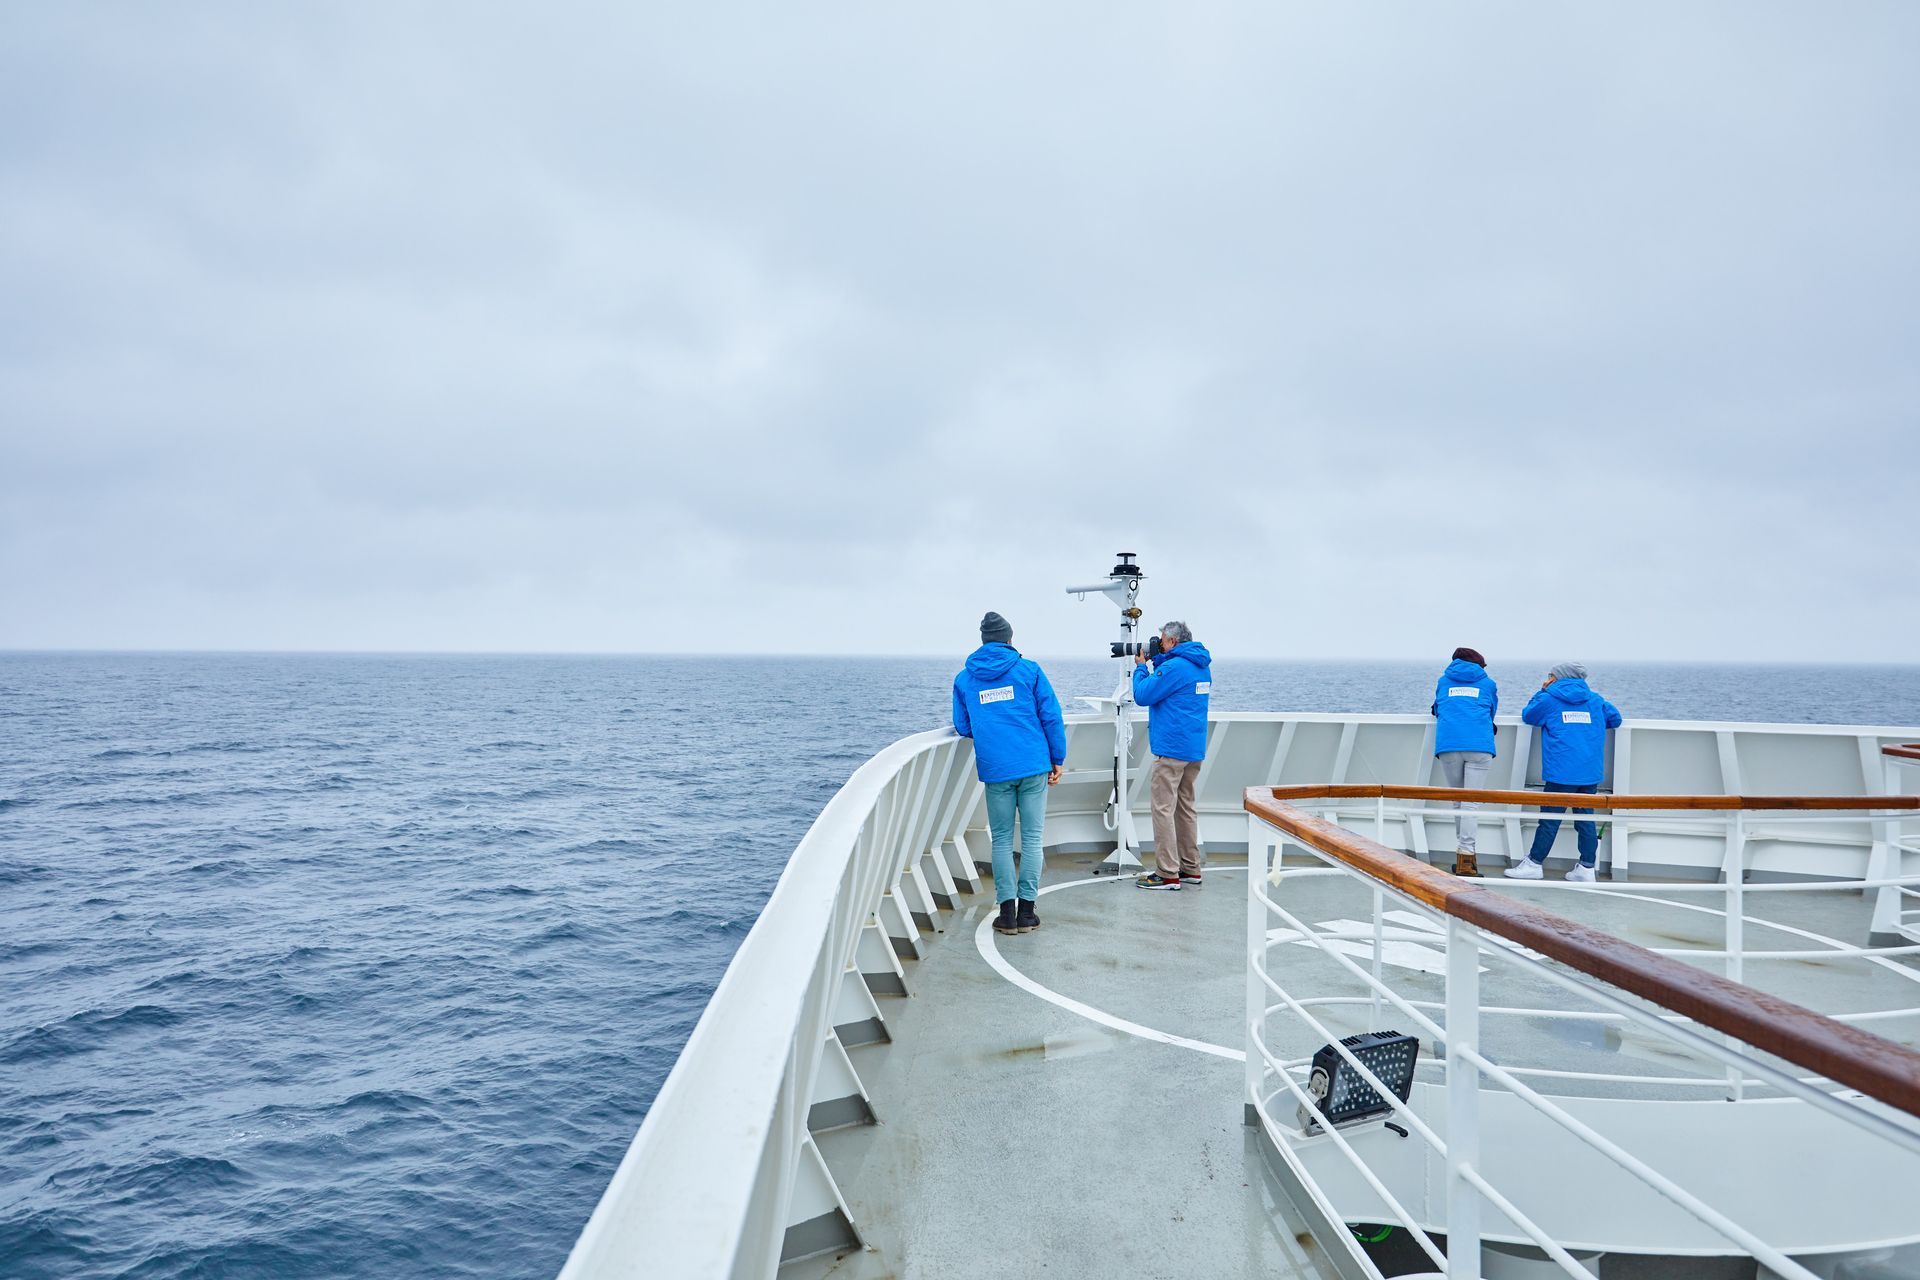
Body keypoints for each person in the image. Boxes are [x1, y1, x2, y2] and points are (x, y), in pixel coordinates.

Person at [951, 612, 1066, 936]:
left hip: (996, 768)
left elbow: (963, 725)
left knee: (1001, 839)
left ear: (984, 640)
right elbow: (1051, 716)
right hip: (1033, 764)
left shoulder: (965, 678)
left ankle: (1006, 914)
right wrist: (1057, 757)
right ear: (1009, 639)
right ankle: (1027, 913)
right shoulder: (1029, 670)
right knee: (1032, 837)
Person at [1506, 662, 1622, 883]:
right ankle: (1586, 868)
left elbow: (1529, 715)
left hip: (1561, 772)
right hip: (1589, 772)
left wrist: (1542, 691)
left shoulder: (1549, 698)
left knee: (1550, 819)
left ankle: (1534, 864)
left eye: (1550, 674)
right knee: (1585, 819)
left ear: (1557, 677)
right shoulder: (1595, 700)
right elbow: (1615, 719)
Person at [1130, 621, 1213, 890]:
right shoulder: (1200, 665)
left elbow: (1143, 694)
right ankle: (1190, 868)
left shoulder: (1175, 668)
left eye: (1163, 640)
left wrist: (1141, 667)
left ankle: (1167, 873)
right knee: (1185, 807)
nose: (1159, 644)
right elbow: (1172, 684)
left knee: (1163, 808)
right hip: (1193, 749)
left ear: (1173, 642)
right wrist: (1159, 661)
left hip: (1171, 750)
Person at [1431, 646, 1498, 877]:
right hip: (1479, 745)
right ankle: (1466, 857)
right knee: (1470, 803)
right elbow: (1491, 711)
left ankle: (1464, 857)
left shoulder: (1443, 681)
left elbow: (1438, 708)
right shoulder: (1488, 683)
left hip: (1449, 745)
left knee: (1458, 801)